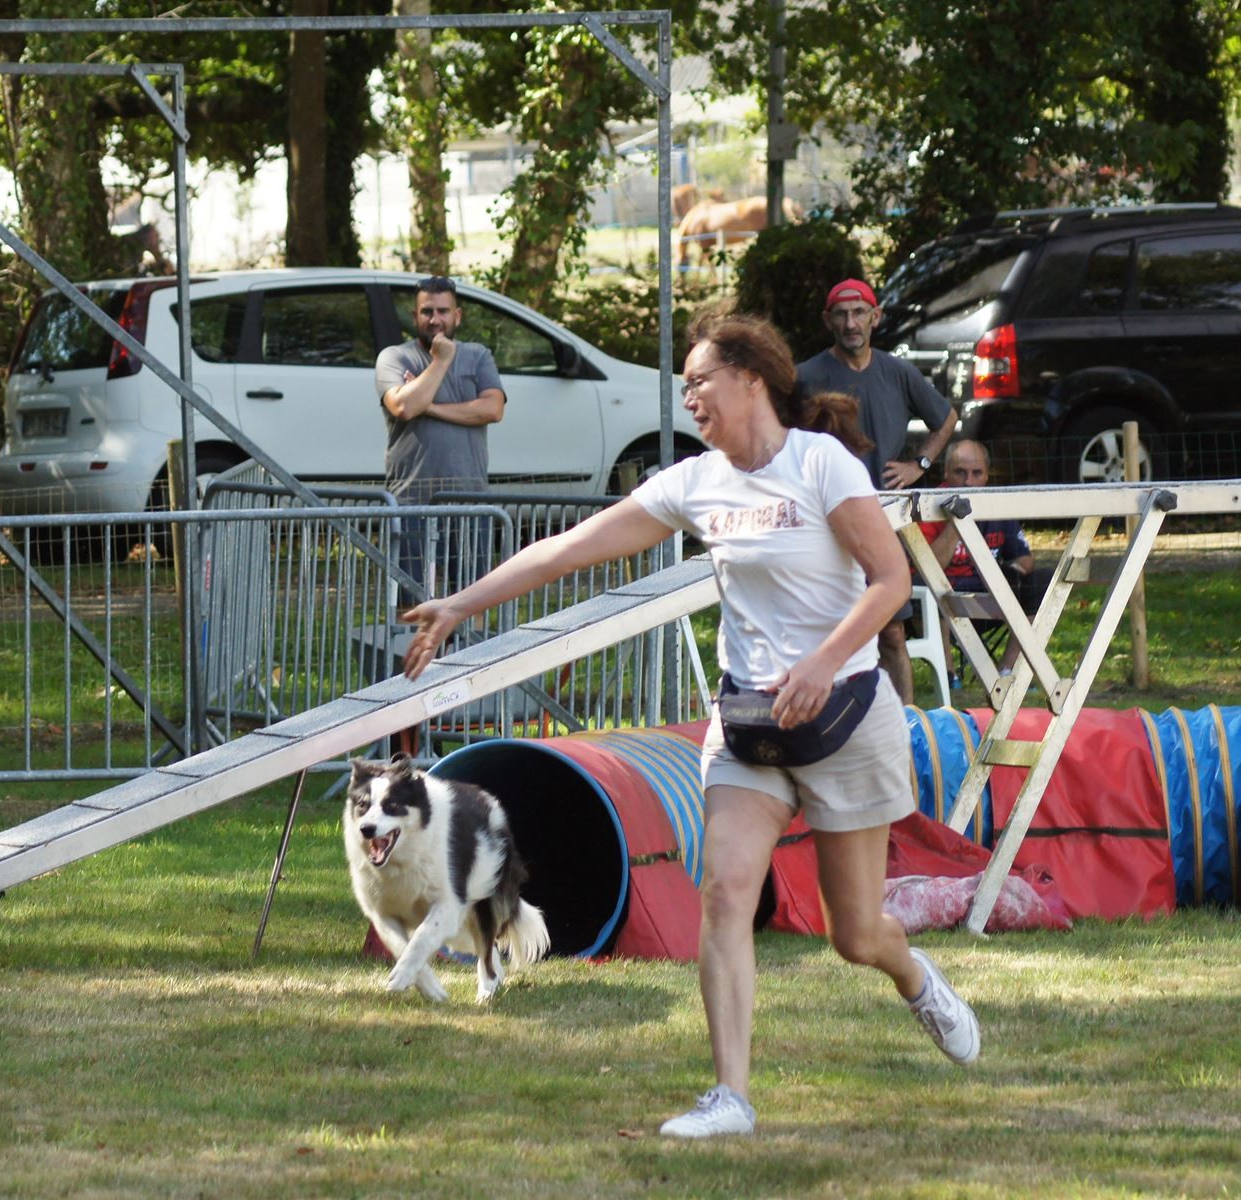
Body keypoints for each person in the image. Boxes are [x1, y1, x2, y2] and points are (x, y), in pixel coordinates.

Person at [399, 313, 981, 1138]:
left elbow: (889, 582)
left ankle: (915, 976)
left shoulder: (822, 464)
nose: (690, 397)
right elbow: (569, 549)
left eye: (700, 380)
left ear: (751, 379)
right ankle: (731, 1098)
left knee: (855, 933)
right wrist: (462, 604)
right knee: (723, 894)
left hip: (844, 714)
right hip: (747, 722)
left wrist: (821, 663)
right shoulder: (696, 481)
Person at [797, 278, 958, 705]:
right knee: (824, 632)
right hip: (823, 525)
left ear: (876, 317)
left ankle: (904, 730)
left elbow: (946, 417)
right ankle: (826, 727)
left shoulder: (898, 372)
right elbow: (777, 440)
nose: (851, 323)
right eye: (841, 314)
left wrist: (919, 465)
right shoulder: (805, 378)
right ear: (827, 321)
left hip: (883, 525)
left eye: (858, 313)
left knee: (891, 632)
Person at [376, 275, 506, 600]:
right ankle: (412, 653)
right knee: (410, 606)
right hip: (410, 500)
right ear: (415, 315)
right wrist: (441, 361)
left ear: (457, 315)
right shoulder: (394, 358)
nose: (435, 319)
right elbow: (404, 406)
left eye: (443, 311)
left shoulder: (478, 356)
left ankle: (469, 653)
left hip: (470, 499)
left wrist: (429, 405)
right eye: (427, 311)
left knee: (470, 601)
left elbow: (492, 409)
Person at [918, 439, 1046, 672]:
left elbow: (1025, 558)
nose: (968, 482)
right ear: (946, 472)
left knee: (1040, 582)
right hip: (942, 590)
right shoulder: (928, 506)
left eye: (977, 473)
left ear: (987, 475)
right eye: (960, 473)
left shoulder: (996, 505)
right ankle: (948, 676)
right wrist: (957, 521)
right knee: (930, 587)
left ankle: (1008, 672)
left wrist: (1009, 574)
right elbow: (929, 567)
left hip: (988, 590)